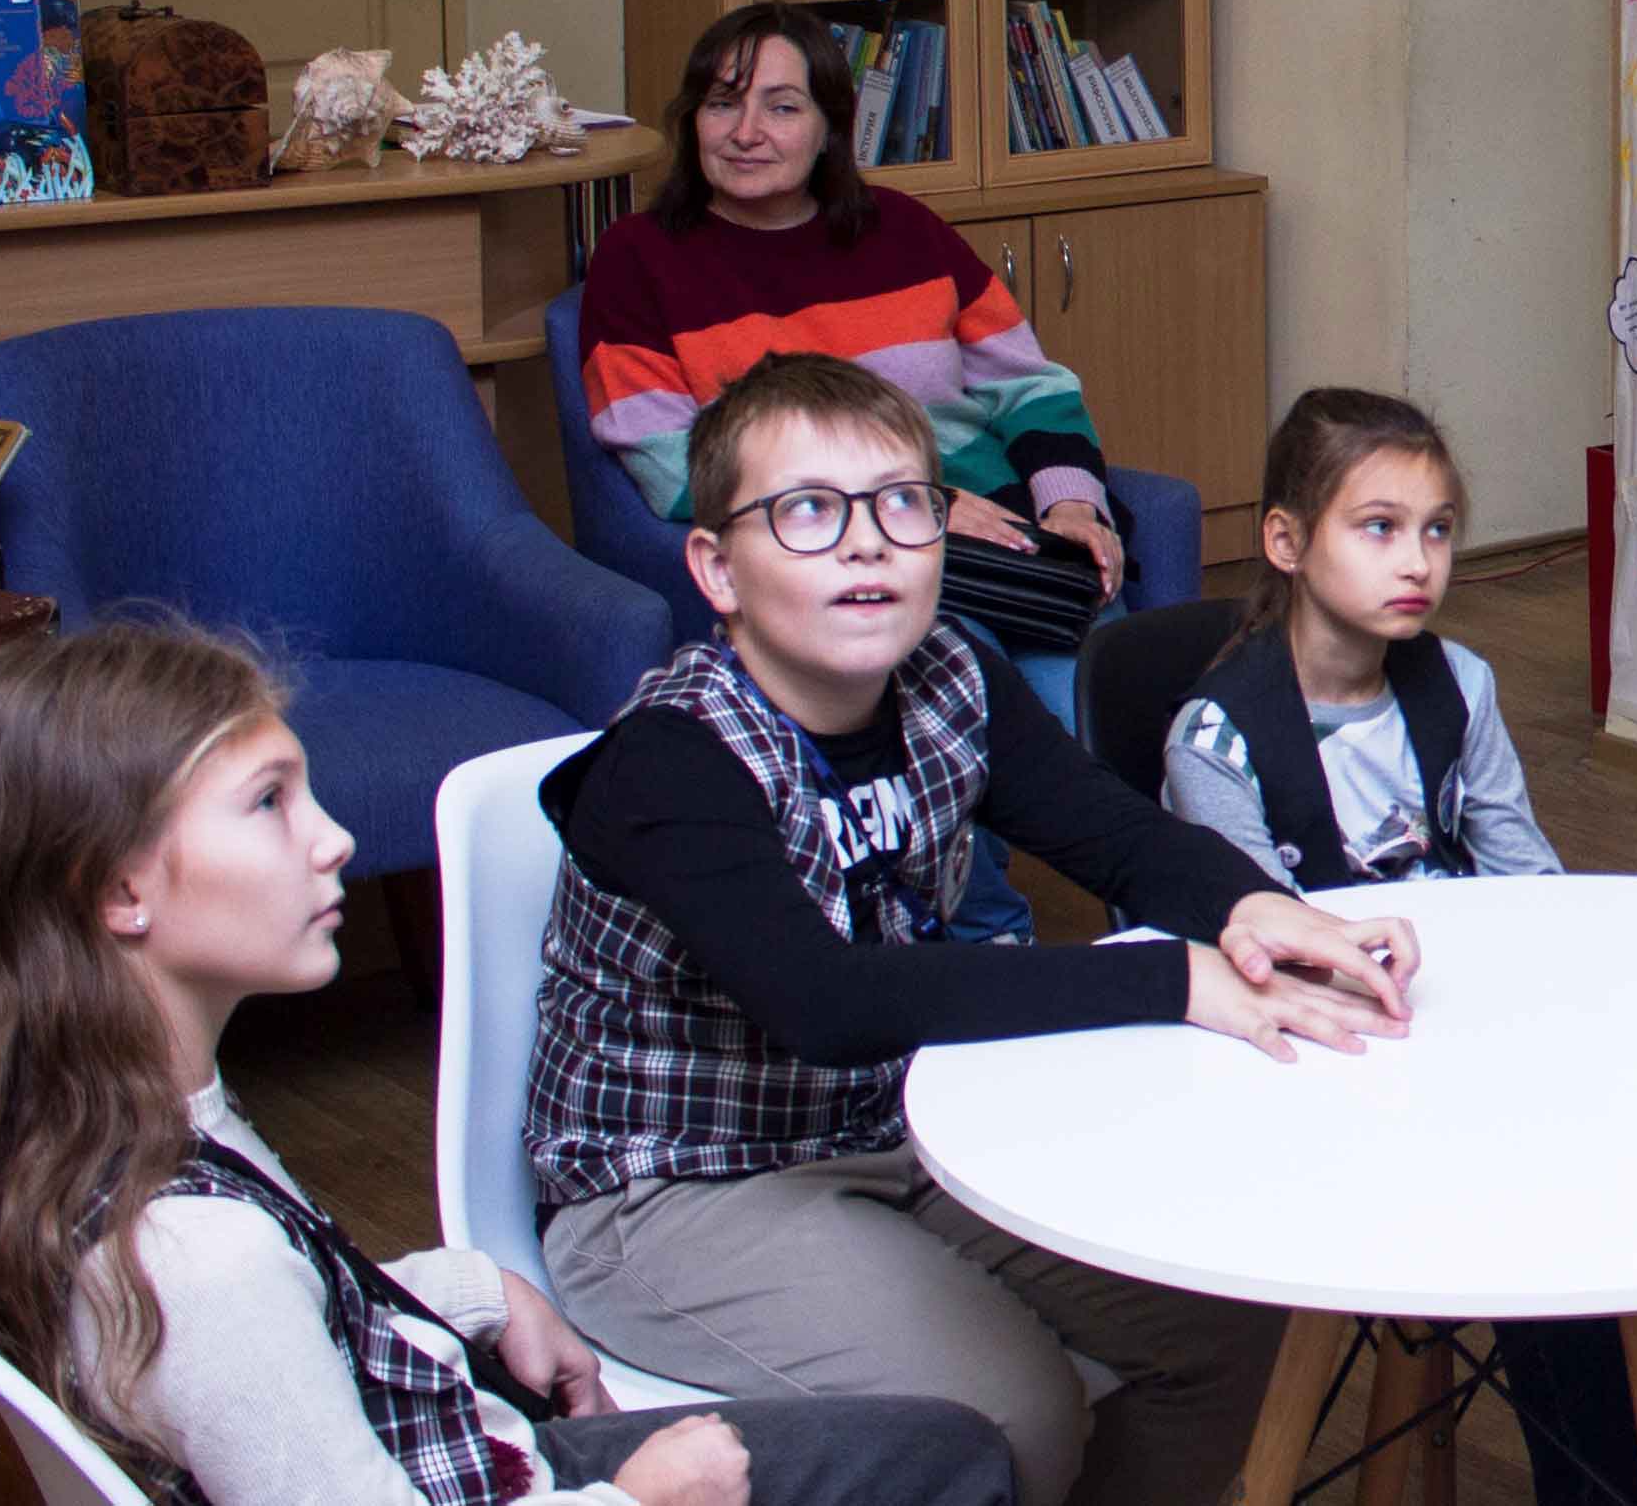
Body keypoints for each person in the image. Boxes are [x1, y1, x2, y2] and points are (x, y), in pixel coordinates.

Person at [526, 351, 1421, 1506]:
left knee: (1226, 1322)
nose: (866, 543)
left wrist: (1270, 915)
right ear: (718, 567)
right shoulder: (672, 753)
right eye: (808, 510)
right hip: (676, 1190)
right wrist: (1174, 978)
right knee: (1009, 1409)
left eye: (904, 503)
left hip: (906, 1127)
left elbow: (1118, 836)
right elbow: (824, 1000)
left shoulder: (951, 676)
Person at [0, 618, 1018, 1506]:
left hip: (454, 1448)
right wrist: (641, 1497)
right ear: (117, 888)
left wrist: (467, 1286)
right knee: (958, 1462)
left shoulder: (114, 1122)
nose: (333, 838)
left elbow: (292, 1337)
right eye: (268, 801)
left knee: (938, 1443)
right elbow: (242, 1331)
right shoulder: (202, 1263)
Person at [1159, 386, 1637, 1502]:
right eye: (1378, 527)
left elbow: (1529, 879)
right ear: (1286, 541)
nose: (1418, 560)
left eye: (1437, 528)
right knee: (1547, 1223)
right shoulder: (1217, 738)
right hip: (1321, 1071)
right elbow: (1271, 949)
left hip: (1467, 1024)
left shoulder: (1459, 683)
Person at [586, 0, 1139, 937]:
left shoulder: (908, 231)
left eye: (781, 106)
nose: (747, 131)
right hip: (854, 553)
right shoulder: (639, 260)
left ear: (832, 126)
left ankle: (1185, 941)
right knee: (958, 725)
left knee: (1104, 736)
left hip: (1013, 544)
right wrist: (911, 504)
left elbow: (1030, 385)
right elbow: (665, 455)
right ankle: (984, 945)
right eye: (722, 103)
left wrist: (1075, 505)